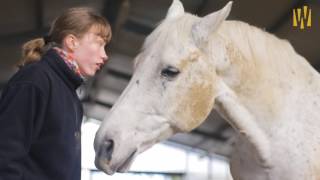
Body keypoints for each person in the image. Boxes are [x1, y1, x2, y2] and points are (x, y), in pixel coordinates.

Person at [0, 7, 112, 180]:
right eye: (99, 43)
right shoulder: (35, 80)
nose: (105, 55)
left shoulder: (72, 97)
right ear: (72, 42)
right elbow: (5, 155)